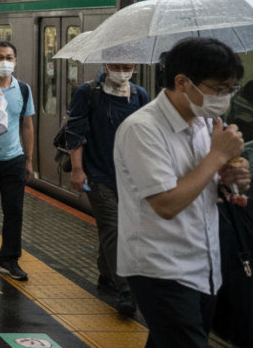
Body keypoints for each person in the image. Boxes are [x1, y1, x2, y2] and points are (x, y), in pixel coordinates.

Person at [114, 38, 251, 348]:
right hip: (161, 267)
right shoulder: (142, 129)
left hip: (204, 262)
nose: (225, 97)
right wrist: (217, 155)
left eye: (231, 89)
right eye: (219, 89)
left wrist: (233, 178)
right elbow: (166, 204)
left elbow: (204, 182)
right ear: (182, 82)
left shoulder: (206, 124)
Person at [65, 62, 149, 315]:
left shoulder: (139, 95)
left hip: (130, 178)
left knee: (115, 228)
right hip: (98, 175)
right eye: (116, 65)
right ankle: (127, 290)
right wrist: (77, 170)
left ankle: (106, 275)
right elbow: (75, 131)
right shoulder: (88, 92)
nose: (122, 70)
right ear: (105, 64)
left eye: (127, 66)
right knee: (114, 228)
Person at [0, 41, 36, 282]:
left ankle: (9, 260)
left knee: (14, 210)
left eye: (9, 58)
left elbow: (27, 125)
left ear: (16, 61)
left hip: (13, 158)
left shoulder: (23, 89)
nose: (5, 62)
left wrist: (28, 159)